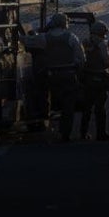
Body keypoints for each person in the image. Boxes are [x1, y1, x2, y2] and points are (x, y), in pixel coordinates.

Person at [43, 12, 85, 141]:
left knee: (52, 101)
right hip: (68, 75)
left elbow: (29, 43)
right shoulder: (71, 37)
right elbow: (81, 57)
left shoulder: (45, 37)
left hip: (52, 76)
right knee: (68, 106)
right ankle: (65, 133)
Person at [80, 21, 109, 141]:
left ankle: (83, 133)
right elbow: (107, 61)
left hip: (87, 77)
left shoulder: (85, 42)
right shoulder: (103, 44)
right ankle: (101, 133)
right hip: (100, 77)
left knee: (87, 107)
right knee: (100, 108)